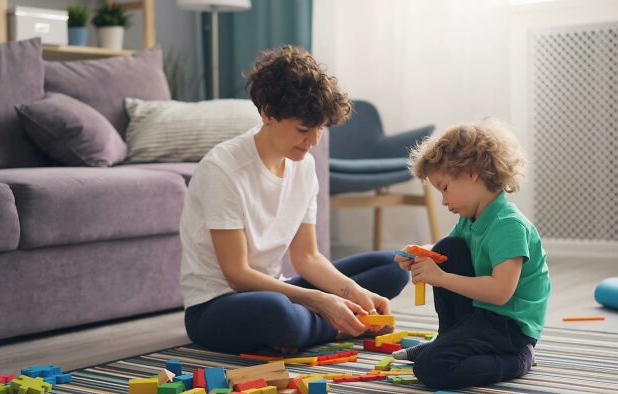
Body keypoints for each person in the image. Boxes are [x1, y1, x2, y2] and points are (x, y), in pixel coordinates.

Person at [180, 45, 408, 354]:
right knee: (279, 314)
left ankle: (324, 324)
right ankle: (338, 325)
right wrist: (322, 299)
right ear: (267, 113)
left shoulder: (304, 165)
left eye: (320, 129)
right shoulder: (222, 169)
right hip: (218, 305)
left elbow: (307, 257)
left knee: (392, 266)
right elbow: (237, 275)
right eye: (303, 129)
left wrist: (351, 292)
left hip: (277, 288)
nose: (313, 141)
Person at [393, 119, 551, 390]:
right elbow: (447, 255)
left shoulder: (508, 225)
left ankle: (516, 360)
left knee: (430, 368)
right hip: (482, 316)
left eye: (444, 188)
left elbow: (501, 293)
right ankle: (448, 340)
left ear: (472, 172)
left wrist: (440, 278)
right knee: (445, 249)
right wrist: (421, 254)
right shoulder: (472, 219)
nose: (443, 200)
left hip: (510, 327)